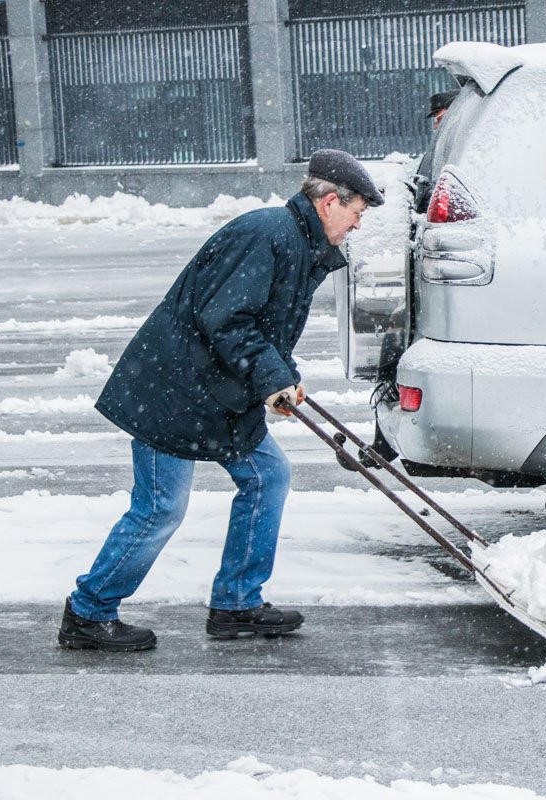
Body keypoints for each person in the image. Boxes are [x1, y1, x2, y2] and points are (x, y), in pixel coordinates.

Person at [58, 150, 383, 652]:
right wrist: (269, 375)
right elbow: (227, 320)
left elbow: (263, 327)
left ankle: (236, 603)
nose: (358, 224)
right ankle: (88, 612)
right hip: (175, 392)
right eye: (358, 212)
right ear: (330, 202)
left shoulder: (295, 243)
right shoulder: (267, 234)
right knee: (160, 508)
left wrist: (283, 379)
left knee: (267, 476)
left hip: (218, 392)